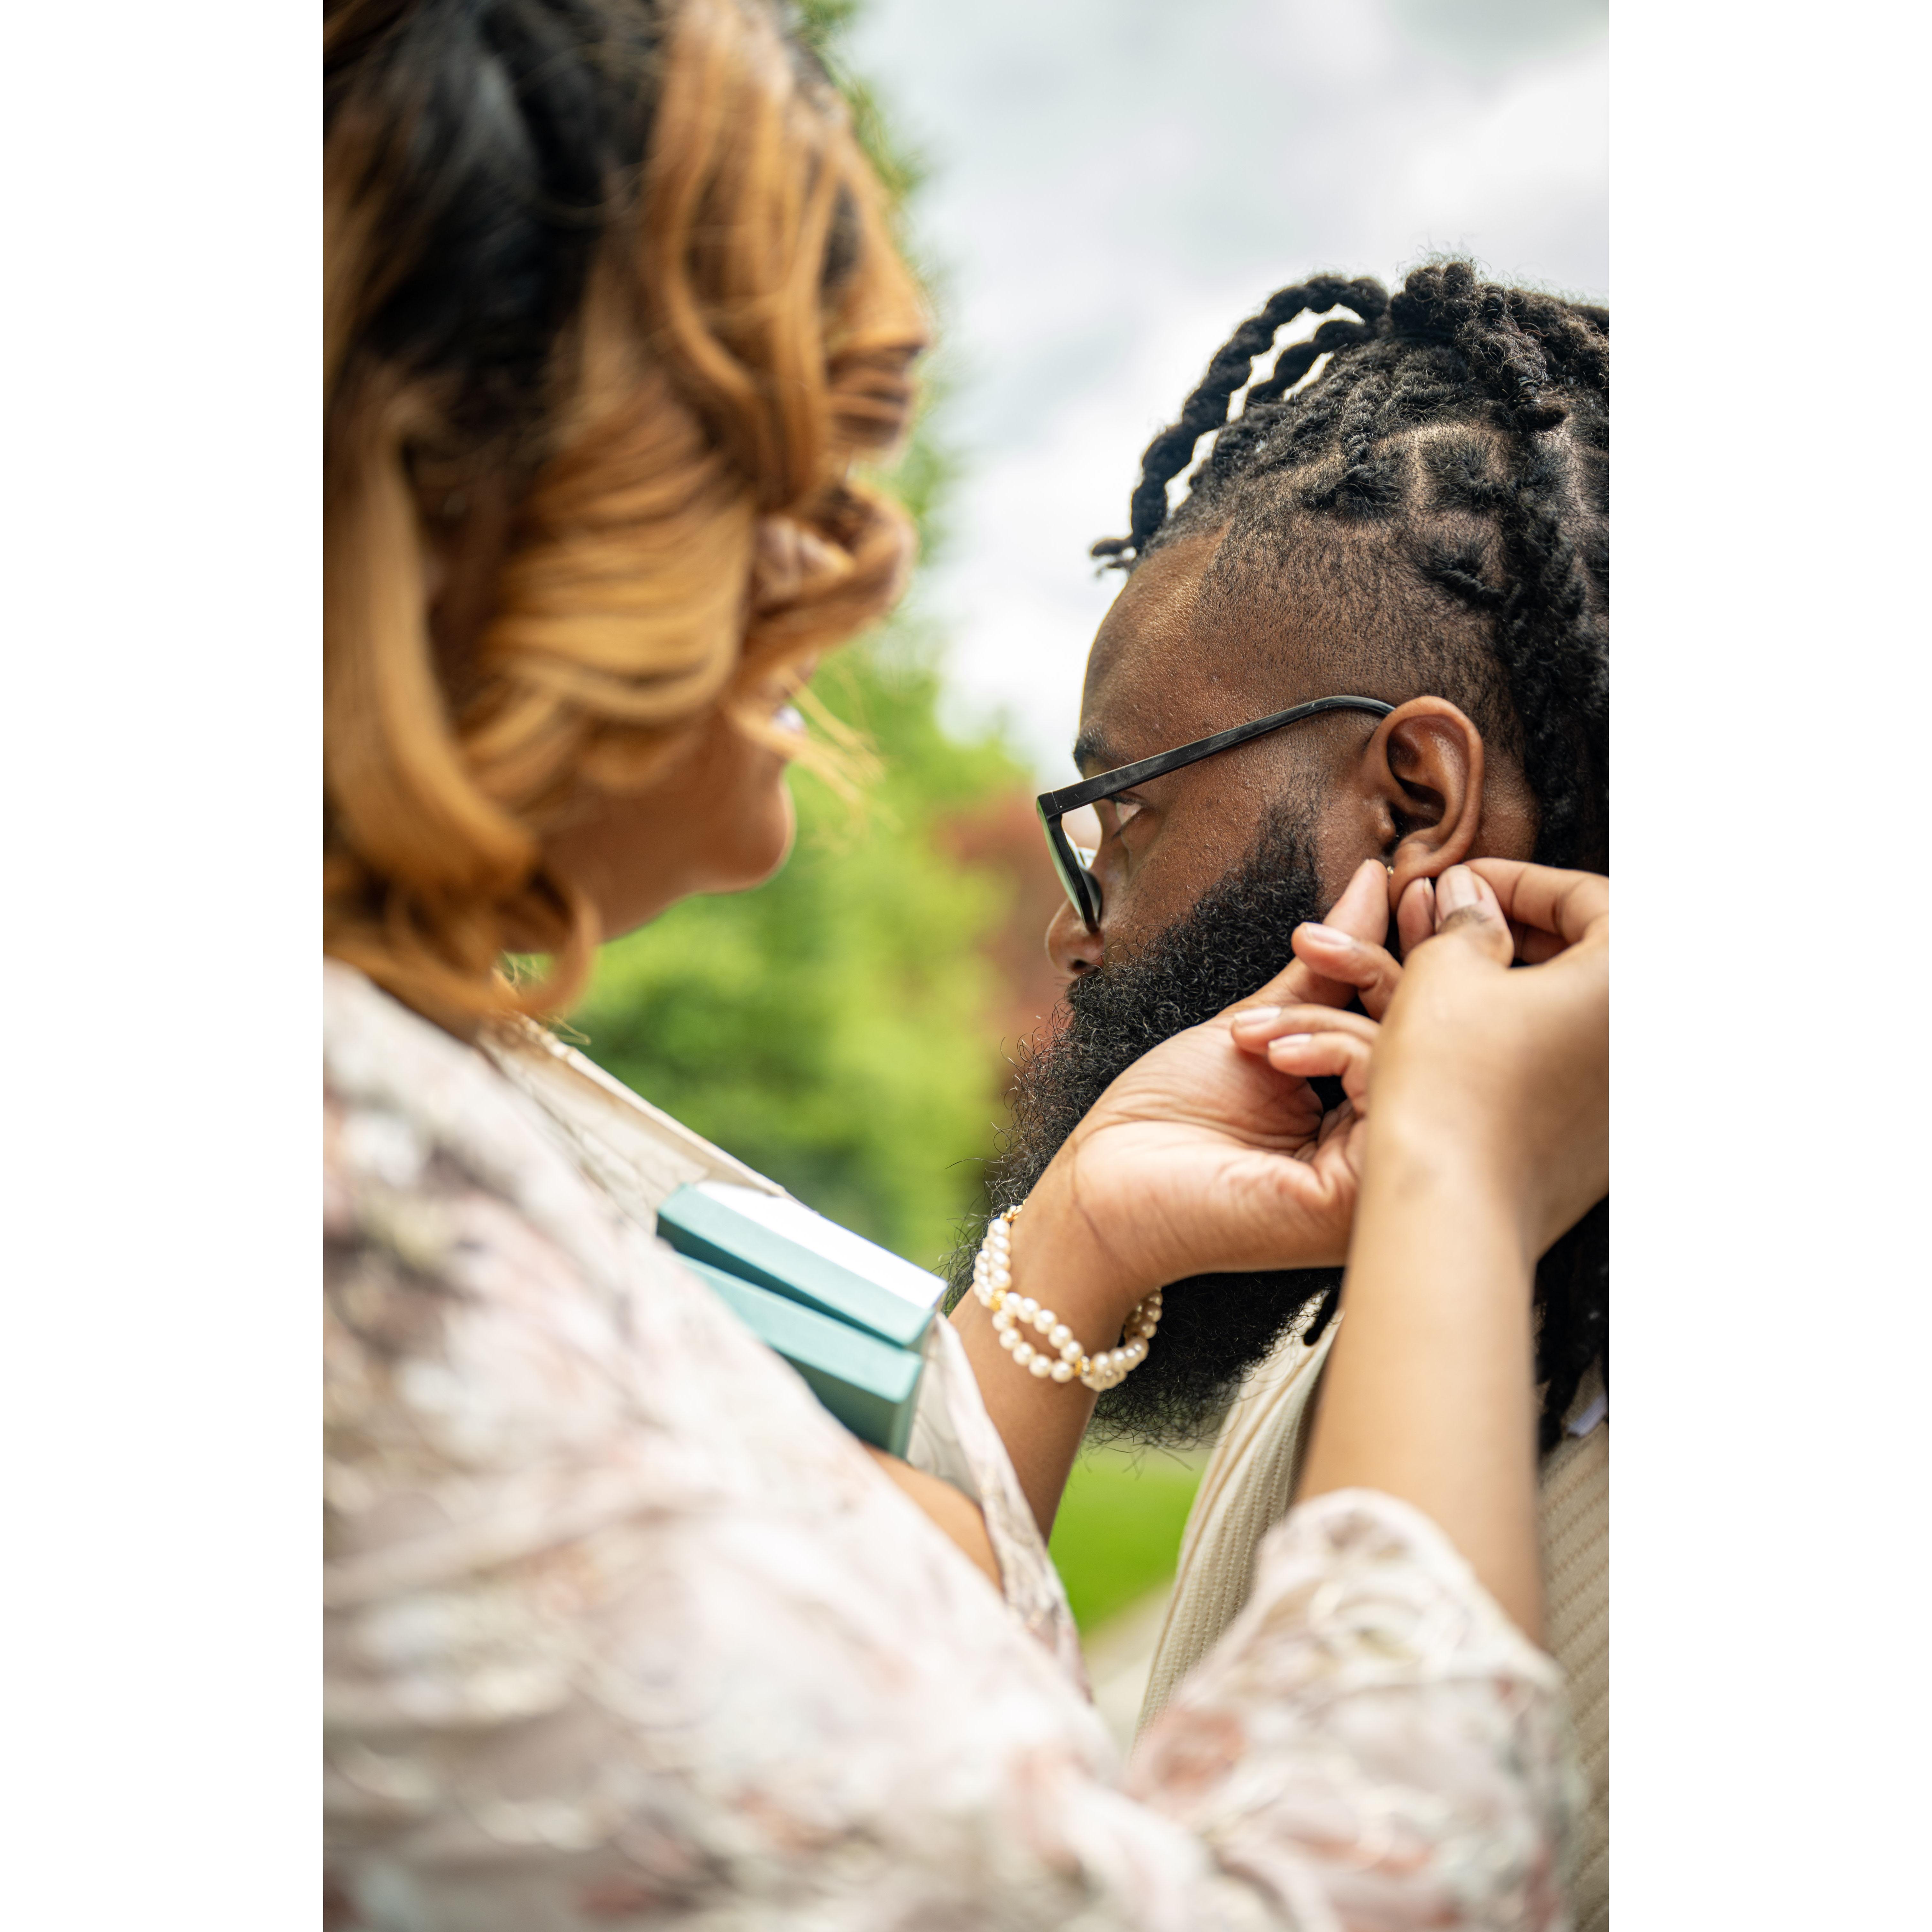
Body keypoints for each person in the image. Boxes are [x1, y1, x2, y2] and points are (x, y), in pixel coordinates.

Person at [325, 4, 1605, 1922]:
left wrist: (1078, 1240)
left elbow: (807, 1728)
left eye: (1127, 803)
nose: (868, 546)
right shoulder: (353, 1223)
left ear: (1423, 806)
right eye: (789, 446)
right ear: (477, 478)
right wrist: (1453, 1183)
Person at [949, 267, 1611, 1926]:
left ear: (1415, 802)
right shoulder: (1351, 1355)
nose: (1070, 922)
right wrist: (1079, 1236)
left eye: (1124, 816)